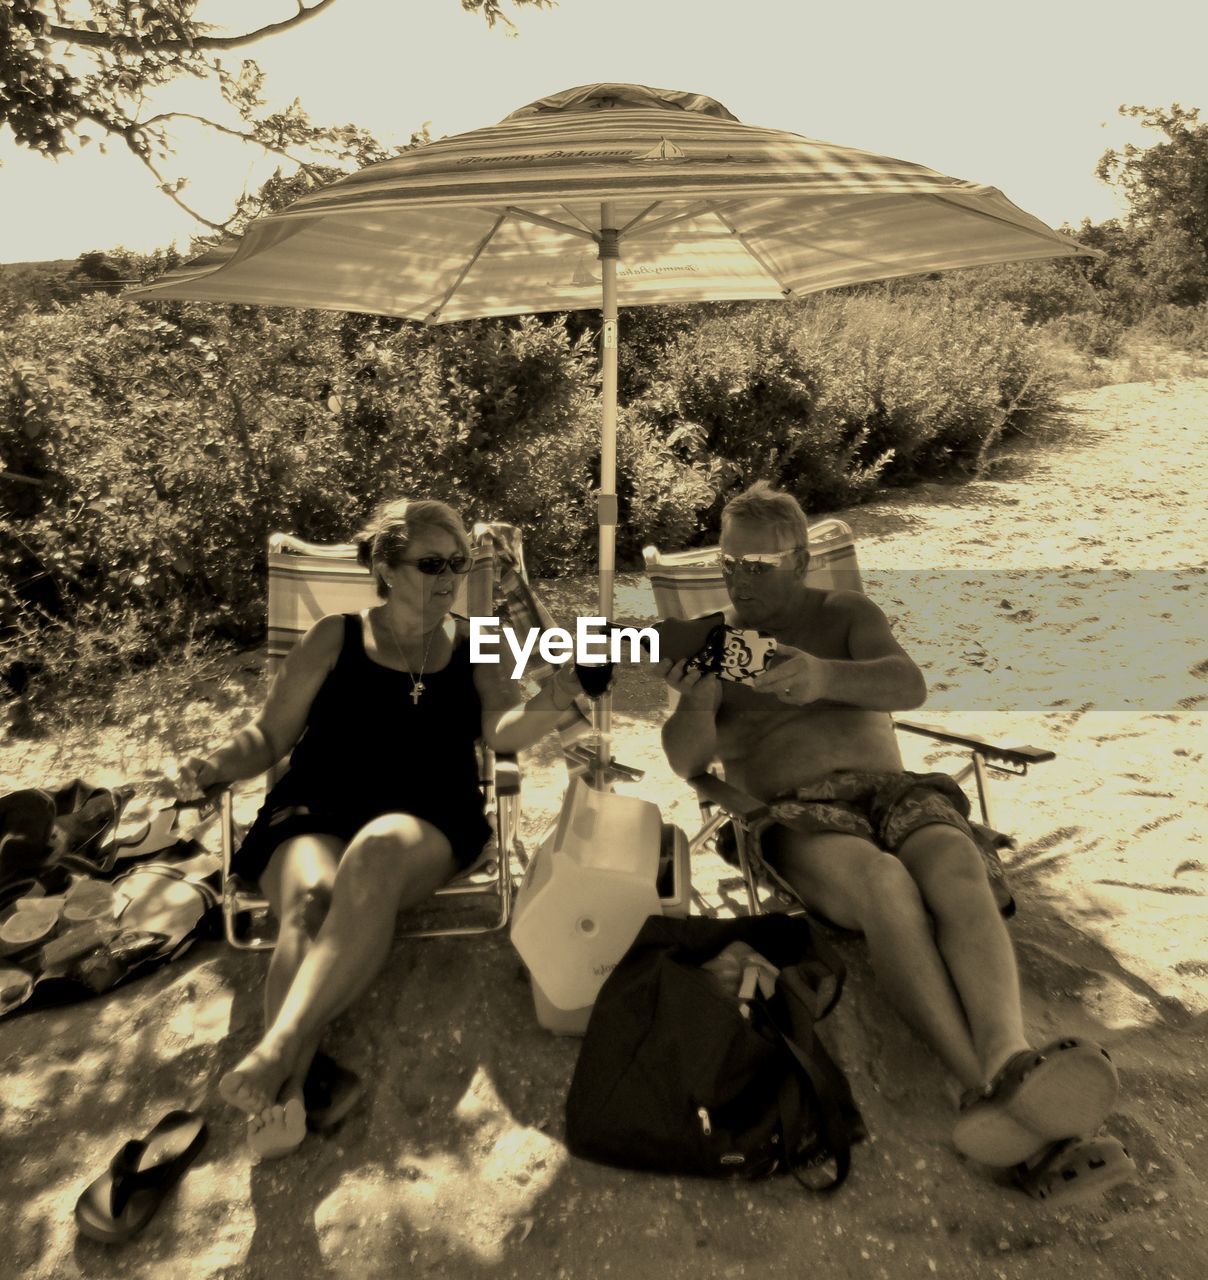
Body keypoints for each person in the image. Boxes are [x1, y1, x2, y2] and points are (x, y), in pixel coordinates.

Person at [661, 481, 1129, 1200]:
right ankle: (982, 1090)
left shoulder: (845, 612)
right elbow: (688, 765)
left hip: (893, 792)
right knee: (884, 883)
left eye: (757, 563)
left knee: (953, 859)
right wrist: (694, 698)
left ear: (800, 560)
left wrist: (822, 676)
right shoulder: (714, 644)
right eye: (729, 564)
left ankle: (1011, 1057)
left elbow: (906, 685)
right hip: (796, 813)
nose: (738, 578)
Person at [176, 498, 581, 1157]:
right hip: (315, 803)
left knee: (375, 851)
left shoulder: (477, 644)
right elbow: (270, 735)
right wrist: (215, 763)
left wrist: (558, 703)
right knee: (308, 901)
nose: (449, 577)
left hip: (425, 814)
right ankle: (285, 1091)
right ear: (386, 569)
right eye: (431, 564)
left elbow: (501, 729)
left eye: (458, 563)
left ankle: (275, 1050)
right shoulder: (332, 638)